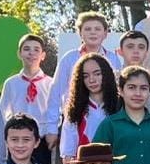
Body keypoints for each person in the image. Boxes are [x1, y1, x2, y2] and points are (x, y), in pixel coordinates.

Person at [44, 12, 121, 150]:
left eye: (97, 29)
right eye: (87, 29)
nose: (93, 33)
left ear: (105, 34)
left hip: (106, 119)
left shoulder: (113, 59)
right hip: (74, 123)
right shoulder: (69, 58)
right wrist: (52, 128)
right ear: (80, 33)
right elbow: (56, 92)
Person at [59, 53, 121, 164]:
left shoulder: (120, 106)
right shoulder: (74, 110)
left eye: (97, 74)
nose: (92, 80)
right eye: (85, 76)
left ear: (107, 74)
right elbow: (68, 152)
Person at [0, 33, 54, 164]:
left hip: (41, 140)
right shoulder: (11, 83)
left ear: (43, 55)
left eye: (36, 50)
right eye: (27, 49)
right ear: (19, 53)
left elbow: (57, 110)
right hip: (17, 140)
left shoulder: (51, 83)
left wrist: (51, 131)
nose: (31, 53)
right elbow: (2, 111)